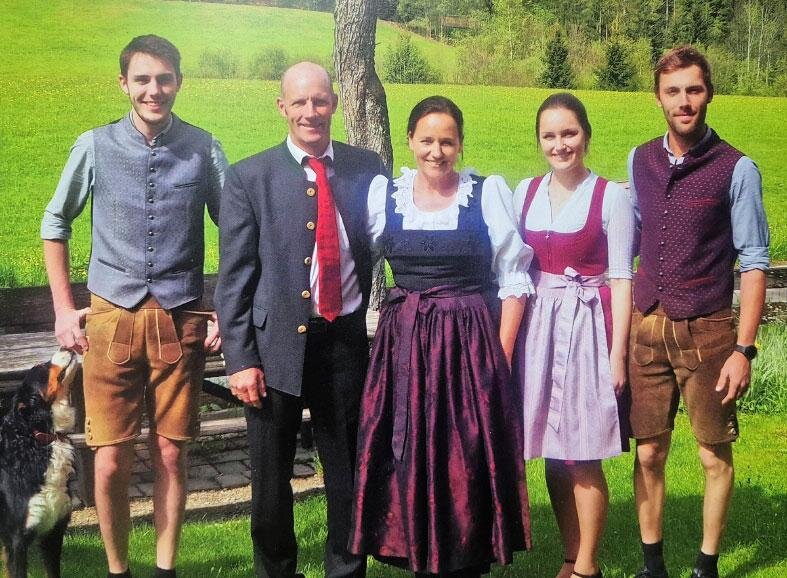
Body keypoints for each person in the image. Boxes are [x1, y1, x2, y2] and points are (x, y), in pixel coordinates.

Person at [41, 35, 227, 578]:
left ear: (179, 82)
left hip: (181, 320)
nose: (154, 90)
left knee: (171, 452)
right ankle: (117, 569)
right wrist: (63, 309)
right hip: (110, 321)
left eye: (164, 79)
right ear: (124, 83)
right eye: (142, 79)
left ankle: (165, 570)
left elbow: (238, 228)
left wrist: (225, 307)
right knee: (111, 457)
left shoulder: (203, 148)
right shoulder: (94, 145)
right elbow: (55, 222)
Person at [349, 95, 532, 577]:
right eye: (427, 140)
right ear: (410, 141)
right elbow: (354, 263)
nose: (436, 151)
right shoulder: (384, 197)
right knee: (408, 452)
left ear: (460, 144)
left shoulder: (486, 193)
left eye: (447, 142)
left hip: (469, 348)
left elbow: (514, 279)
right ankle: (418, 551)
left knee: (464, 454)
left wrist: (499, 358)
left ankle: (464, 557)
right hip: (404, 346)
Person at [215, 61, 386, 578]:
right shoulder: (250, 177)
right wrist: (240, 360)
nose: (311, 112)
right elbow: (234, 278)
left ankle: (345, 571)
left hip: (344, 344)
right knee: (270, 480)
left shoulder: (366, 167)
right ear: (282, 107)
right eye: (300, 102)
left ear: (334, 103)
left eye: (320, 101)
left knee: (348, 475)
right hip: (274, 351)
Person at [628, 46, 769, 578]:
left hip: (709, 330)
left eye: (693, 89)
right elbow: (631, 238)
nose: (683, 101)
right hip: (646, 323)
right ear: (657, 98)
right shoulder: (639, 159)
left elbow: (754, 262)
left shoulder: (738, 168)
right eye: (673, 91)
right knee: (648, 453)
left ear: (708, 93)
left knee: (713, 455)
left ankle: (706, 565)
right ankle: (652, 566)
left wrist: (744, 349)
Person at [513, 93, 636, 578]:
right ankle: (570, 555)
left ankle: (587, 565)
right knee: (552, 450)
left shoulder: (611, 197)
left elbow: (622, 278)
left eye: (569, 133)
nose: (560, 144)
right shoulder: (525, 192)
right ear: (538, 140)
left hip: (587, 328)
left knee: (582, 452)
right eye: (550, 135)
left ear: (586, 135)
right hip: (538, 328)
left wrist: (618, 355)